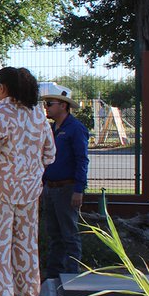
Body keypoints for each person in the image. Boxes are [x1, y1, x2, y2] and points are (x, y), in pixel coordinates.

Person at [0, 66, 56, 296]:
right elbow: (50, 154)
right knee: (27, 243)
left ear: (2, 87)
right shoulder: (37, 115)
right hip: (30, 190)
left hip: (2, 190)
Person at [40, 82, 90, 280]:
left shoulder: (76, 129)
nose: (46, 108)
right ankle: (54, 275)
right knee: (54, 234)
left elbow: (82, 159)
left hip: (67, 188)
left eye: (50, 103)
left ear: (63, 105)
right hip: (50, 188)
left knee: (69, 234)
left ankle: (72, 276)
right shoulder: (51, 128)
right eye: (45, 104)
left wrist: (79, 189)